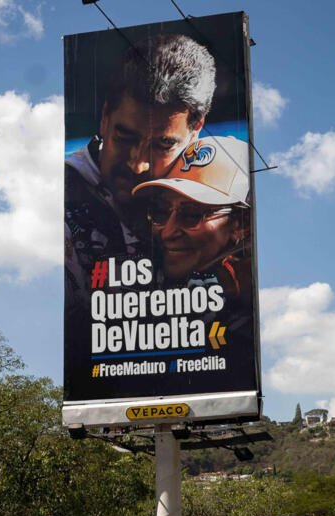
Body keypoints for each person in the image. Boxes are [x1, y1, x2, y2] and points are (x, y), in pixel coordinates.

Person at [64, 33, 217, 297]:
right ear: (104, 117)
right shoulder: (61, 193)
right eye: (124, 137)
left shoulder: (214, 192)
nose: (138, 165)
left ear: (196, 130)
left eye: (163, 144)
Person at [132, 135, 253, 314]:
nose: (168, 232)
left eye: (191, 214)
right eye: (161, 211)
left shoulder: (242, 303)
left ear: (242, 224)